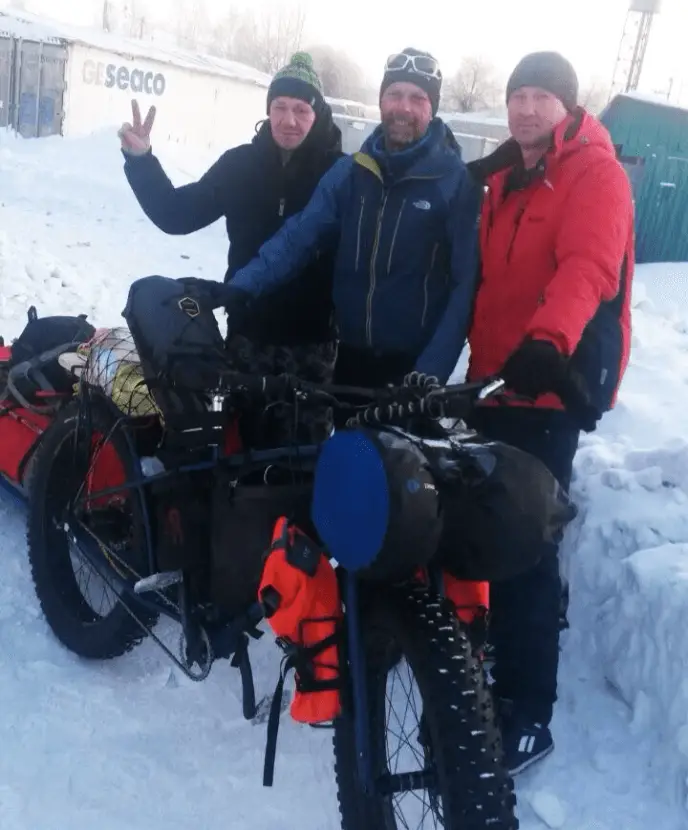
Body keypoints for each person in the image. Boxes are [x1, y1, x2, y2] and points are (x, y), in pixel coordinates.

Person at [465, 51, 635, 775]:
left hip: (547, 380)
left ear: (568, 106)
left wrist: (548, 341)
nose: (528, 108)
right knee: (489, 522)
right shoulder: (504, 173)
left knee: (525, 549)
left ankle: (529, 712)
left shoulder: (596, 173)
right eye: (519, 96)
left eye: (542, 96)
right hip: (492, 382)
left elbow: (588, 269)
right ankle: (497, 644)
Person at [223, 48, 480, 392]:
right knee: (346, 448)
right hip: (350, 364)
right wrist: (239, 286)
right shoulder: (352, 172)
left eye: (417, 98)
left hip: (411, 374)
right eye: (394, 95)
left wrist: (430, 371)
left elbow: (465, 286)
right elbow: (298, 237)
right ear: (381, 101)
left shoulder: (456, 183)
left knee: (391, 449)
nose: (403, 107)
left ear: (432, 108)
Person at [118, 52, 343, 445]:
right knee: (240, 453)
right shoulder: (240, 165)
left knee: (306, 459)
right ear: (268, 109)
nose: (289, 120)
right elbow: (176, 214)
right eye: (280, 107)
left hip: (312, 347)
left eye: (301, 110)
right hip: (247, 339)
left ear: (317, 113)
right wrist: (141, 161)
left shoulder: (339, 173)